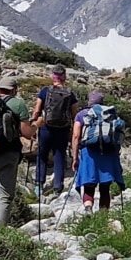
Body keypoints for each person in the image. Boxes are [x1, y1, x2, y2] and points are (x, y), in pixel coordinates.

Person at [0, 74, 32, 226]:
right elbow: (27, 133)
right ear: (14, 90)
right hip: (9, 152)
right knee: (4, 194)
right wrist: (38, 124)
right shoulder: (18, 105)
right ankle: (1, 228)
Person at [31, 65, 79, 197]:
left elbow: (37, 110)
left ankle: (39, 186)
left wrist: (33, 122)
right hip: (63, 130)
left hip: (46, 128)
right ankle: (58, 187)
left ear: (53, 76)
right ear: (64, 77)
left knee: (42, 155)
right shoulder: (70, 94)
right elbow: (75, 114)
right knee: (59, 156)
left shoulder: (45, 91)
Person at [73, 91, 125, 212]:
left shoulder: (82, 114)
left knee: (89, 185)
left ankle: (88, 208)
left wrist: (75, 157)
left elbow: (76, 136)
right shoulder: (110, 113)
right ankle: (103, 215)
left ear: (89, 101)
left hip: (89, 153)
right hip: (108, 153)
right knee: (105, 187)